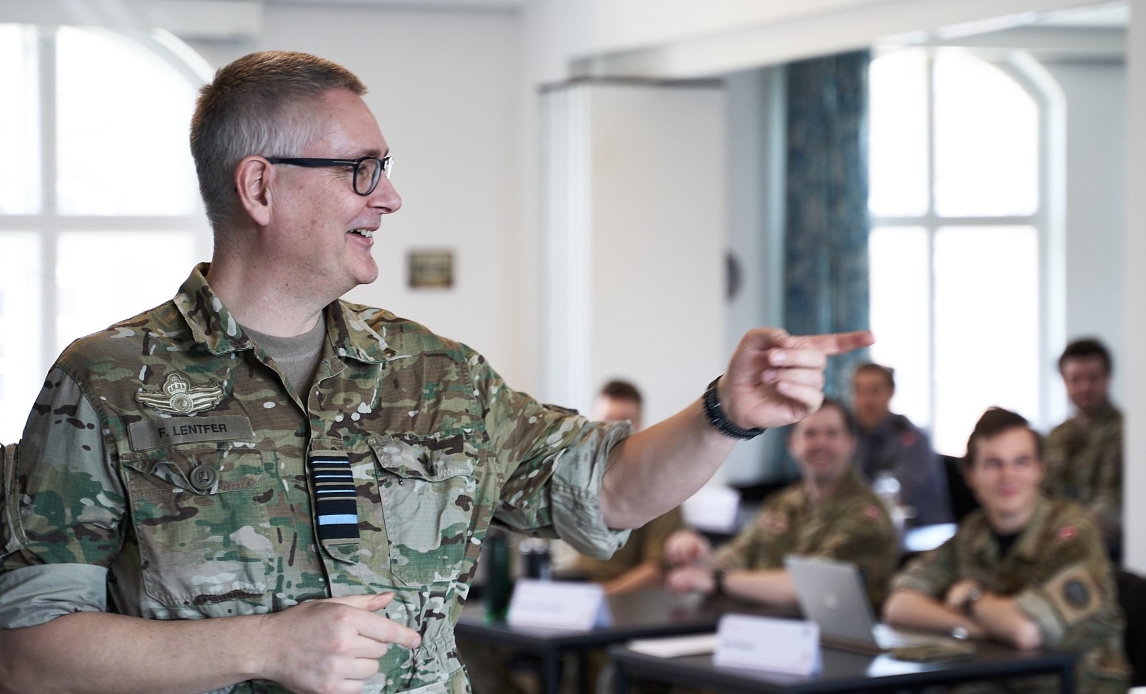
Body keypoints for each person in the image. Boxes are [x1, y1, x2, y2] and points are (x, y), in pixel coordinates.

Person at [0, 50, 871, 694]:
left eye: (386, 169)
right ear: (260, 188)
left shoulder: (433, 373)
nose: (389, 196)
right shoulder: (105, 384)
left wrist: (726, 412)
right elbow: (30, 652)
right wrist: (264, 646)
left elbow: (606, 488)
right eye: (361, 171)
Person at [884, 407, 1129, 693]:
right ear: (970, 475)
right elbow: (899, 605)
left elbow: (1025, 631)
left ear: (1041, 469)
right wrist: (969, 625)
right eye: (993, 464)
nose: (1008, 476)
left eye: (1021, 462)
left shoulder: (1072, 532)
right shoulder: (974, 532)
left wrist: (970, 596)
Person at [663, 399, 898, 610]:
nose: (820, 444)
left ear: (851, 442)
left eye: (832, 433)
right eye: (810, 434)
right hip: (769, 631)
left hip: (841, 643)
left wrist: (717, 580)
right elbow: (740, 554)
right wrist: (700, 555)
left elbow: (811, 588)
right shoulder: (783, 503)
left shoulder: (867, 515)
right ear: (792, 444)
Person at [569, 380, 685, 595]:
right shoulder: (574, 474)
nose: (613, 430)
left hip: (616, 598)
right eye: (606, 421)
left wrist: (600, 597)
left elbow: (656, 570)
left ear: (640, 425)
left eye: (624, 422)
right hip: (565, 587)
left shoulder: (659, 486)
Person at [1043, 338, 1123, 557]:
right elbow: (1041, 493)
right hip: (1052, 544)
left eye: (1093, 378)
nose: (1085, 387)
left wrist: (1066, 533)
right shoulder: (1056, 436)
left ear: (1108, 379)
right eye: (1075, 379)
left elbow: (1112, 505)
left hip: (1103, 550)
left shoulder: (1125, 433)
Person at [851, 362, 952, 527]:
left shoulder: (913, 438)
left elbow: (899, 494)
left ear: (891, 392)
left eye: (874, 391)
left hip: (918, 532)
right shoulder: (849, 436)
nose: (866, 399)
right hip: (867, 530)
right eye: (859, 391)